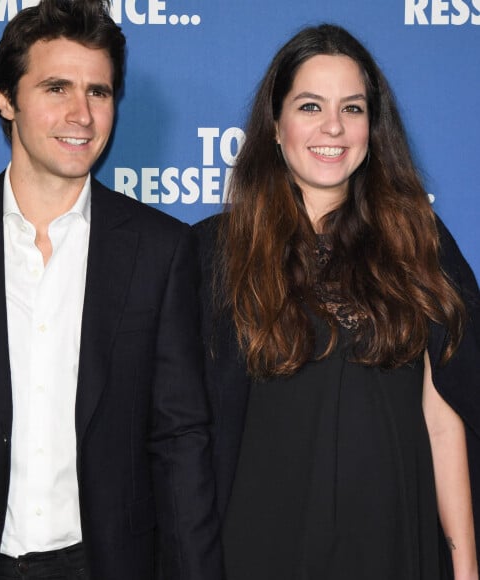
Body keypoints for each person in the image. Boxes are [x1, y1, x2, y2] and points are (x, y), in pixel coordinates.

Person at [0, 1, 223, 578]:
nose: (82, 114)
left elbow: (180, 440)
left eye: (98, 92)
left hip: (102, 564)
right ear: (6, 97)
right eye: (56, 88)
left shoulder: (161, 249)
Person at [194, 23, 480, 580]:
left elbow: (445, 416)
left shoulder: (420, 240)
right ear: (275, 127)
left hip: (394, 542)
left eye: (352, 108)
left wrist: (465, 564)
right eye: (309, 105)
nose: (333, 126)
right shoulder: (214, 251)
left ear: (374, 126)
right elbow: (188, 433)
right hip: (261, 546)